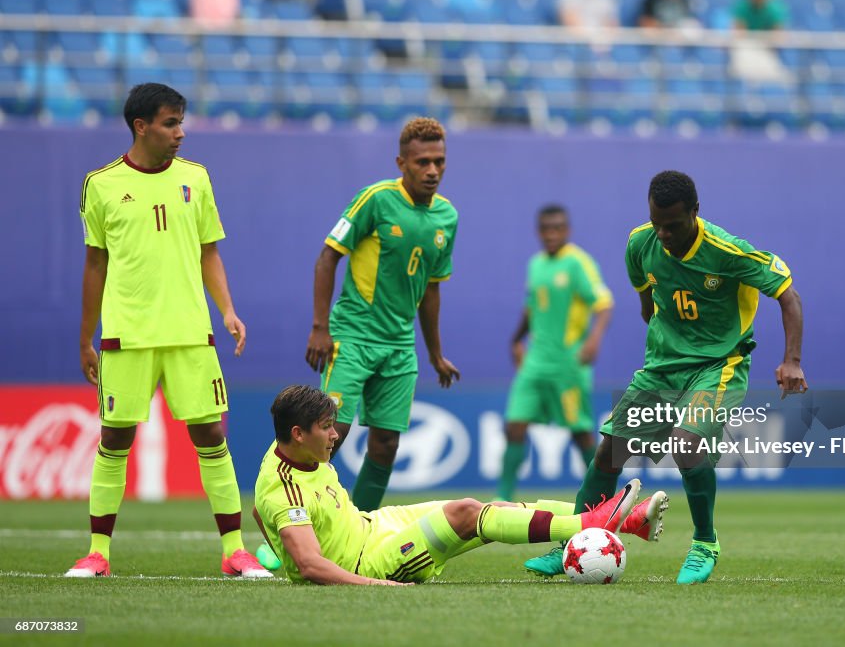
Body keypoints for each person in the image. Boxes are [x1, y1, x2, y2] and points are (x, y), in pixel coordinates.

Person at [524, 170, 807, 584]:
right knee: (609, 453)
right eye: (657, 223)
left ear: (695, 212)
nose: (664, 234)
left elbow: (788, 294)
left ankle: (704, 543)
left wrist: (792, 361)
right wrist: (665, 341)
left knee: (686, 444)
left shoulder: (727, 251)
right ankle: (576, 540)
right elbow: (647, 300)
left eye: (673, 225)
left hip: (719, 365)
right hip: (663, 367)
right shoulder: (641, 243)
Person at [67, 83, 269, 578]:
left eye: (181, 122)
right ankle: (98, 554)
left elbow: (208, 251)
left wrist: (227, 310)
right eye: (170, 123)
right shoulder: (101, 184)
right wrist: (85, 337)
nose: (181, 132)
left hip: (190, 333)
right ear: (141, 126)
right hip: (125, 336)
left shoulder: (196, 179)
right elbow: (95, 263)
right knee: (114, 441)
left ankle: (234, 552)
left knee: (211, 435)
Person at [254, 385, 669, 584]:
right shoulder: (284, 491)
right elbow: (308, 565)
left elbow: (260, 515)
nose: (335, 435)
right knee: (466, 513)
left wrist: (282, 551)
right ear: (297, 432)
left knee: (496, 509)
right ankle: (591, 524)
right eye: (326, 428)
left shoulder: (291, 452)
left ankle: (629, 520)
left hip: (375, 524)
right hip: (369, 561)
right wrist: (374, 584)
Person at [305, 117, 461, 513]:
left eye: (439, 161)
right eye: (422, 162)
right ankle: (289, 525)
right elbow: (328, 258)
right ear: (401, 162)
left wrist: (435, 354)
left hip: (399, 346)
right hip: (353, 337)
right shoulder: (375, 199)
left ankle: (360, 531)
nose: (432, 170)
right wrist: (320, 328)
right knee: (329, 435)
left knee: (387, 444)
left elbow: (431, 289)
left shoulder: (447, 217)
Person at [496, 205, 613, 502]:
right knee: (514, 425)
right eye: (546, 229)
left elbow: (603, 304)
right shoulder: (536, 264)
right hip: (535, 361)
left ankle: (604, 499)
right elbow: (532, 305)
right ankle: (503, 500)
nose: (551, 235)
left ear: (567, 230)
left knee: (580, 432)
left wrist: (594, 340)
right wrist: (515, 339)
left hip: (568, 362)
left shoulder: (578, 263)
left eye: (557, 229)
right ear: (538, 232)